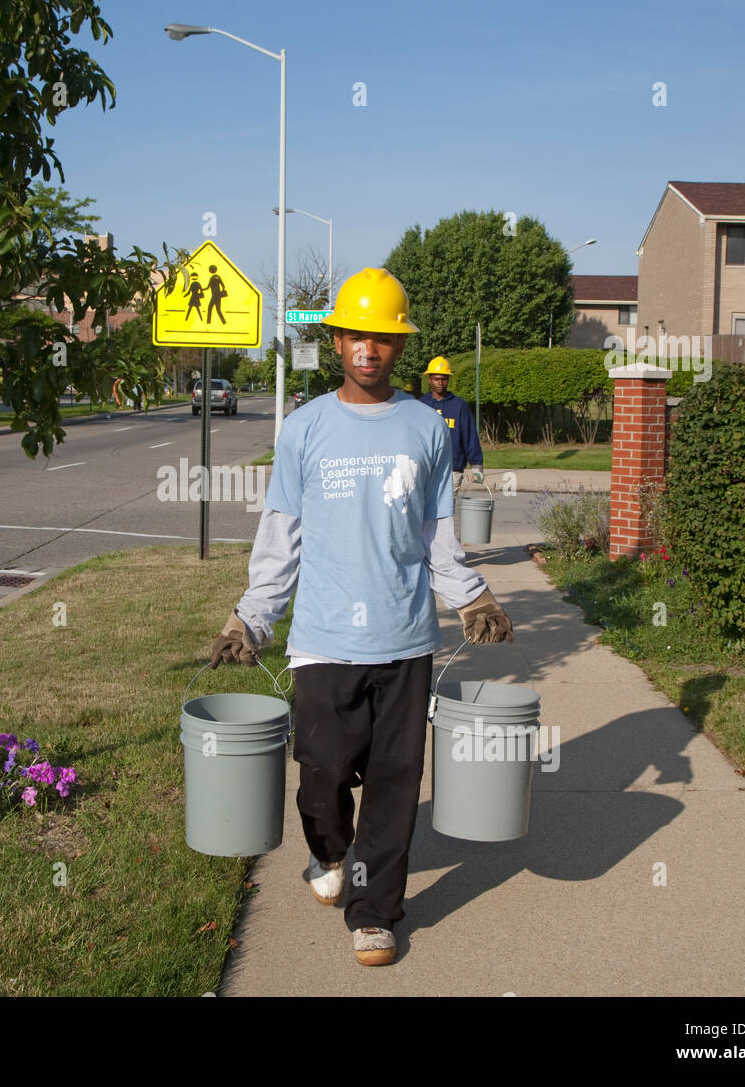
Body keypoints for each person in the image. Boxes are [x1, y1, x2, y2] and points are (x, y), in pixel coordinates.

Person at [208, 267, 513, 967]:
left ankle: (373, 913)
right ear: (338, 339)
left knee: (394, 782)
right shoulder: (304, 429)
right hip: (322, 642)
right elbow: (281, 536)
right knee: (320, 773)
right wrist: (250, 619)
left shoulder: (427, 430)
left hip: (405, 640)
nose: (368, 349)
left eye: (382, 338)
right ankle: (329, 851)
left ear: (398, 346)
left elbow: (438, 536)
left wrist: (471, 595)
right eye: (356, 336)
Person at [420, 357, 483, 500]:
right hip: (425, 468)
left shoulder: (459, 406)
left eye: (444, 379)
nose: (440, 383)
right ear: (429, 379)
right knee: (424, 512)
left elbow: (469, 435)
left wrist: (476, 464)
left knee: (446, 511)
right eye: (436, 379)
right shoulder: (421, 405)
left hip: (452, 469)